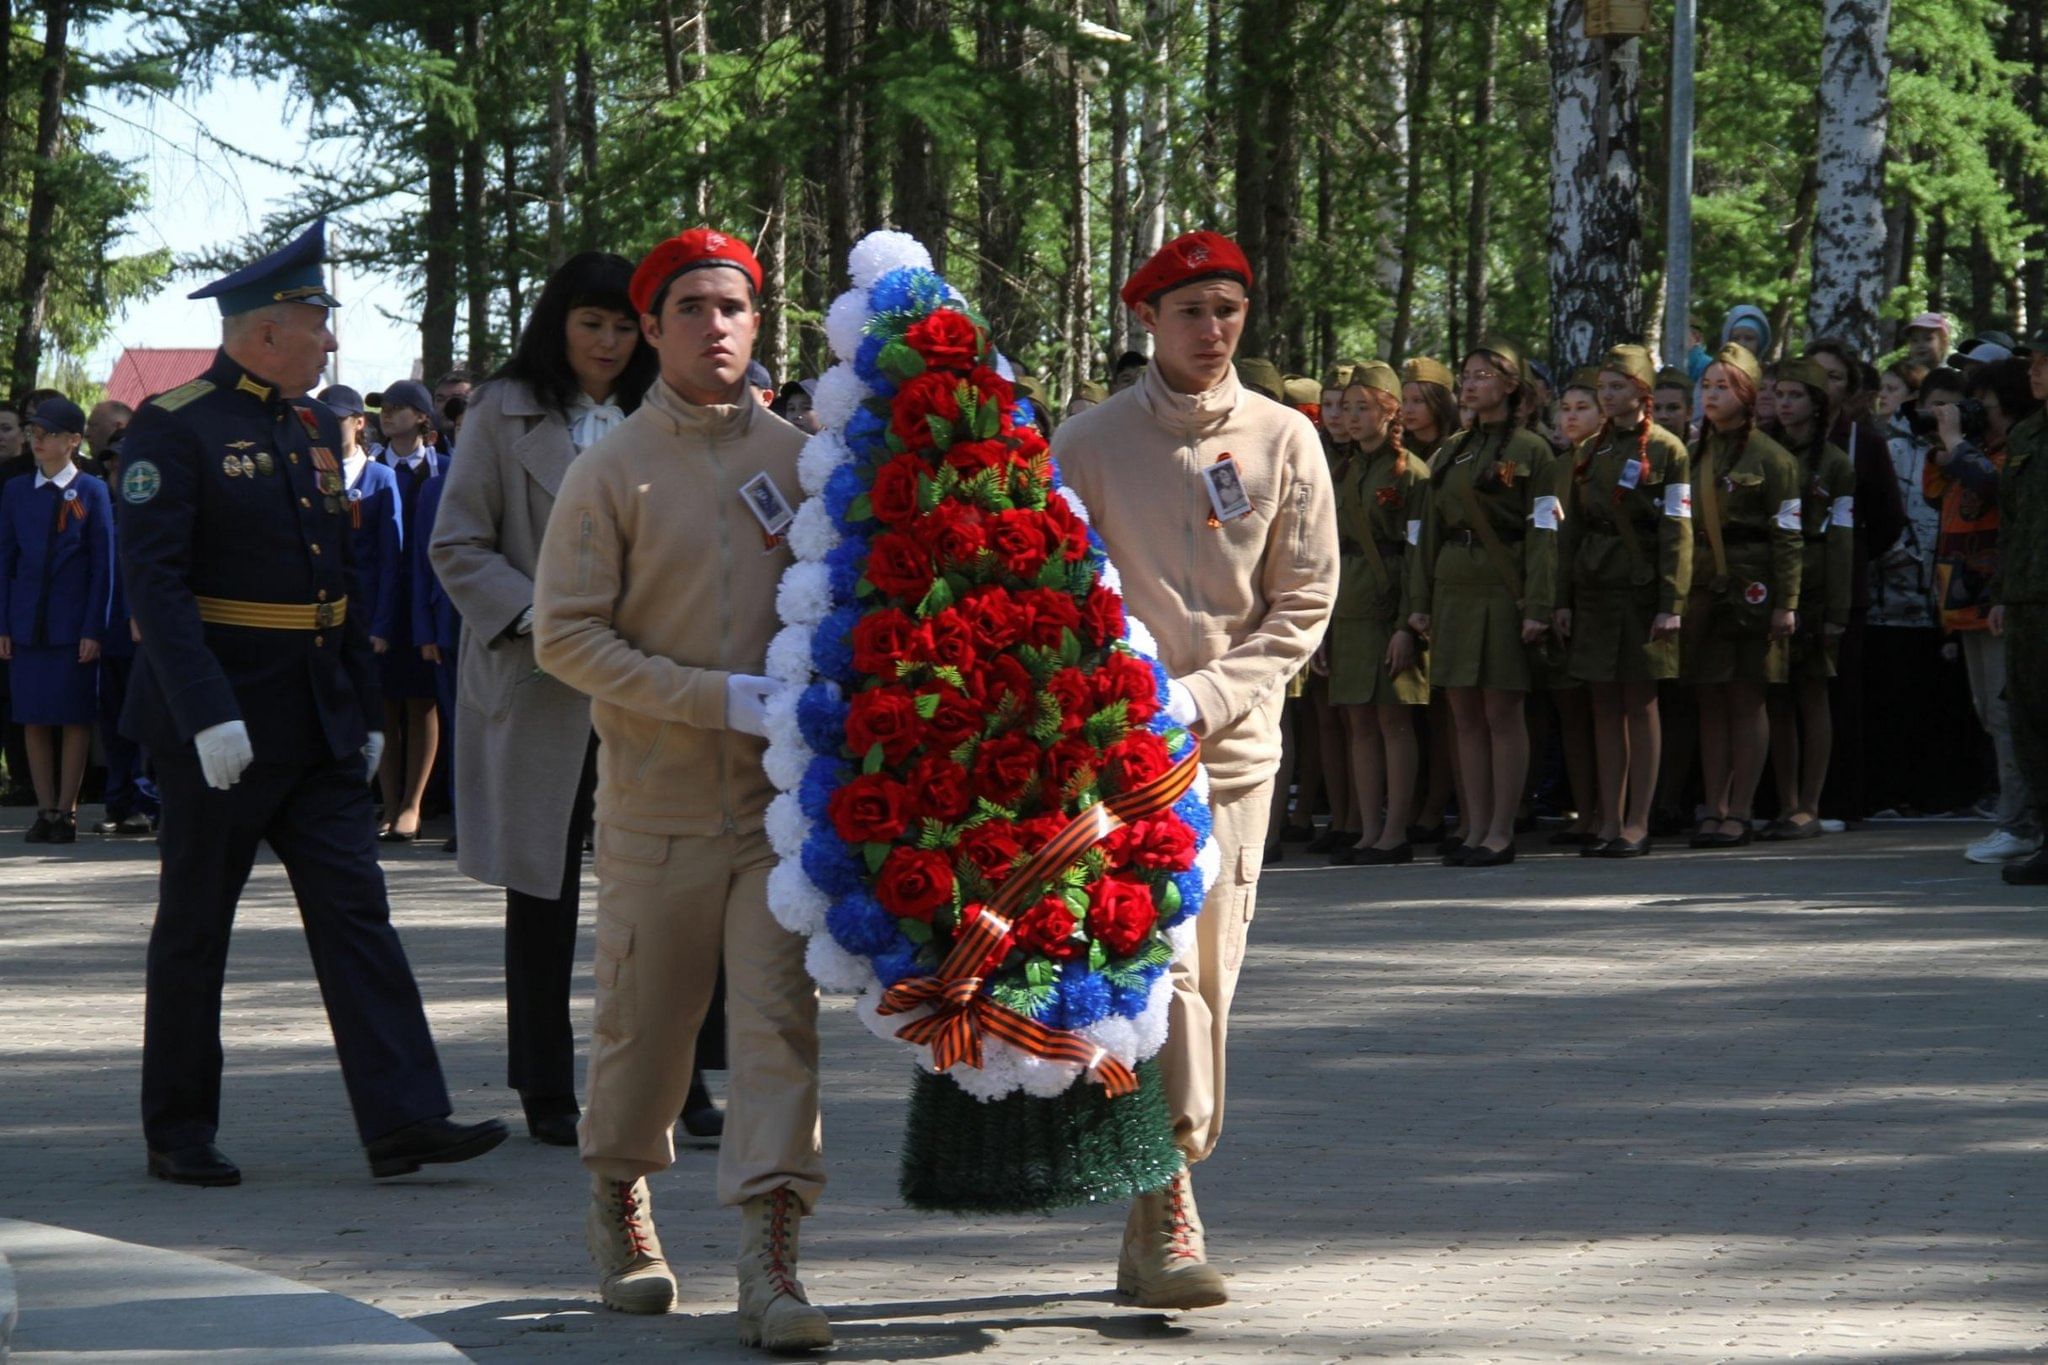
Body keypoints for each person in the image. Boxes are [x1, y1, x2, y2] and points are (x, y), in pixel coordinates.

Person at [119, 217, 505, 1187]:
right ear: (266, 330)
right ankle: (177, 1128)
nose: (331, 342)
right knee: (196, 924)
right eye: (318, 321)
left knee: (356, 915)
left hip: (318, 720)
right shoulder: (175, 425)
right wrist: (205, 712)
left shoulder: (304, 433)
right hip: (223, 723)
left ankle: (404, 1117)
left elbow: (336, 579)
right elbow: (156, 588)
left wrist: (363, 703)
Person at [531, 227, 829, 1349]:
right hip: (654, 806)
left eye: (734, 307)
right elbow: (565, 638)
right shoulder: (608, 470)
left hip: (778, 813)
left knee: (774, 1030)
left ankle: (772, 1257)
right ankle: (620, 1198)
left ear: (761, 326)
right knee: (644, 1035)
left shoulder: (804, 461)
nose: (716, 326)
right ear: (649, 330)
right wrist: (715, 698)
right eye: (691, 309)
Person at [1054, 229, 1337, 1308]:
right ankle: (1168, 1198)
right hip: (1116, 762)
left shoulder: (1285, 440)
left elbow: (1302, 604)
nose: (1211, 330)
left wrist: (1205, 698)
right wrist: (1117, 702)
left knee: (1210, 981)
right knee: (1156, 981)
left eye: (1227, 309)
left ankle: (1150, 1210)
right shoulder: (1083, 445)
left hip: (1231, 755)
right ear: (1147, 323)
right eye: (1189, 312)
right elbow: (1053, 592)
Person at [431, 251, 661, 1148]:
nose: (606, 343)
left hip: (651, 677)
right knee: (546, 890)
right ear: (557, 324)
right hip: (542, 679)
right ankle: (545, 1083)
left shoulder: (662, 410)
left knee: (660, 886)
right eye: (589, 324)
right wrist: (540, 616)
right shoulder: (501, 408)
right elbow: (457, 543)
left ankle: (670, 1077)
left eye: (620, 326)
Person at [1413, 337, 1559, 866]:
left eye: (1482, 375)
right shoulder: (1450, 449)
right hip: (1453, 586)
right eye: (1466, 374)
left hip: (1504, 588)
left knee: (1501, 709)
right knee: (1463, 712)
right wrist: (1419, 602)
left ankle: (1501, 828)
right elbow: (1427, 531)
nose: (1470, 383)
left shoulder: (1534, 451)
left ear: (1510, 384)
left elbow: (1545, 534)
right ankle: (1473, 825)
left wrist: (1539, 606)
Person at [1553, 347, 1692, 857]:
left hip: (1641, 588)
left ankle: (1638, 820)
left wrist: (1671, 601)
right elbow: (1570, 532)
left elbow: (1679, 530)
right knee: (1604, 705)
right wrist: (1563, 598)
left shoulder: (1668, 449)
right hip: (1595, 586)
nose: (1608, 397)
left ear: (1642, 390)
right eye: (1603, 389)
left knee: (1641, 702)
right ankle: (1608, 818)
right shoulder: (1590, 450)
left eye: (1618, 387)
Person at [1680, 343, 1802, 848]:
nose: (1711, 395)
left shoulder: (1773, 459)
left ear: (1748, 394)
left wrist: (1787, 602)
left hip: (1753, 589)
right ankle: (1715, 805)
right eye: (1706, 386)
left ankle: (1743, 809)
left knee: (1747, 698)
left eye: (1723, 387)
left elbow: (1788, 533)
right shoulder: (1694, 455)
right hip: (1702, 588)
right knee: (1709, 699)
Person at [1925, 362, 2041, 863]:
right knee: (1989, 714)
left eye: (1984, 405)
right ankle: (2015, 816)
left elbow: (1997, 489)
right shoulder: (1973, 451)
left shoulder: (2018, 446)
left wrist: (1955, 443)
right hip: (1967, 597)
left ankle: (2020, 822)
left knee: (2007, 712)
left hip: (2004, 594)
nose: (1974, 413)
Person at [1326, 362, 1429, 864]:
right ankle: (1367, 831)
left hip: (1390, 606)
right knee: (1357, 723)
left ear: (1390, 413)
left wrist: (1408, 624)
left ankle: (1395, 832)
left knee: (1393, 723)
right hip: (1347, 606)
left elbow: (1418, 555)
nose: (1350, 416)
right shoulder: (1344, 470)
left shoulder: (1411, 473)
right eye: (1346, 407)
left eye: (1362, 407)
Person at [1804, 339, 1908, 826]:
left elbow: (1889, 519)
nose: (1824, 385)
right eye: (1814, 375)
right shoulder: (1776, 439)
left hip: (1844, 587)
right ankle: (1783, 801)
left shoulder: (1863, 442)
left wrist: (1854, 555)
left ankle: (1838, 801)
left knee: (1839, 694)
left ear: (1849, 388)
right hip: (1785, 584)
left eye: (1835, 377)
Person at [0, 398, 114, 843]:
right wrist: (4, 623)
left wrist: (93, 628)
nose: (38, 441)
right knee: (33, 717)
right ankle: (44, 808)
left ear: (74, 440)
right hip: (28, 622)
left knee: (73, 717)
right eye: (34, 434)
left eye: (47, 434)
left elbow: (103, 567)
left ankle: (66, 809)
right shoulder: (16, 491)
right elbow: (6, 559)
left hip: (72, 625)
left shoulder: (92, 491)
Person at [1761, 357, 1856, 840]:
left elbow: (1842, 539)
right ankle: (1785, 801)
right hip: (1770, 582)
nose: (1785, 404)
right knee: (1775, 696)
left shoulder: (1836, 465)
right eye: (1779, 395)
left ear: (1817, 406)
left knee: (1812, 693)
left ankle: (1810, 804)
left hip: (1816, 583)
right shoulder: (1761, 451)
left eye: (1795, 396)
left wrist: (1838, 609)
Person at [371, 379, 443, 840]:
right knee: (382, 705)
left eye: (399, 408)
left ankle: (414, 804)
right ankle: (388, 802)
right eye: (383, 408)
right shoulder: (371, 469)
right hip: (381, 602)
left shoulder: (443, 470)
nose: (388, 414)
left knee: (422, 703)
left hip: (426, 601)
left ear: (421, 417)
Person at [1990, 331, 2048, 883]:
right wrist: (2002, 592)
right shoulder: (2027, 434)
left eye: (2045, 363)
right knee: (2030, 719)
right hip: (2029, 598)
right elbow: (2010, 523)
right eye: (2032, 362)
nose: (2035, 371)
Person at [89, 432, 160, 836]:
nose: (117, 469)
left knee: (143, 724)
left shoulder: (152, 511)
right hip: (108, 632)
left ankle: (146, 804)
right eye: (112, 462)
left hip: (142, 634)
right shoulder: (107, 510)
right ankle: (118, 803)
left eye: (124, 460)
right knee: (113, 724)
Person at [319, 385, 405, 681]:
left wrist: (381, 625)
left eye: (338, 420)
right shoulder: (307, 472)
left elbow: (390, 560)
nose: (328, 427)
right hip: (319, 616)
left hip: (364, 613)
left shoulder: (381, 477)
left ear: (359, 422)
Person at [82, 400, 132, 479]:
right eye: (88, 426)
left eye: (94, 426)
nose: (86, 434)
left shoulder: (135, 472)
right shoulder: (85, 471)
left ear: (119, 427)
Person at [1653, 366, 1695, 443]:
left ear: (1689, 412)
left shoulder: (1704, 451)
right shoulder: (1632, 450)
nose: (1663, 416)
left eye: (1672, 408)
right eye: (1656, 408)